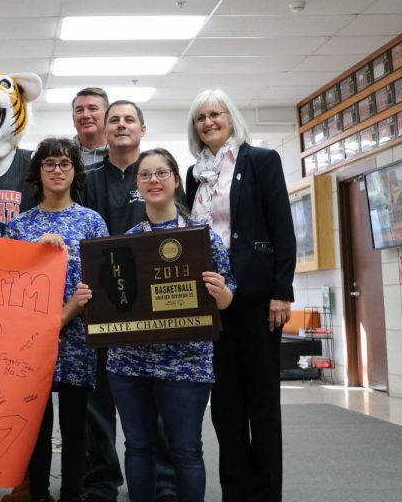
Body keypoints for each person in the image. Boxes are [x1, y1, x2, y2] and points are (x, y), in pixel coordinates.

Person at [184, 89, 295, 502]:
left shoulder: (261, 161)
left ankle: (265, 495)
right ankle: (236, 492)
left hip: (255, 297)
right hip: (211, 301)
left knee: (261, 405)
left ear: (231, 118)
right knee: (225, 405)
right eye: (201, 118)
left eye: (216, 114)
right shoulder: (194, 172)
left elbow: (282, 228)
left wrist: (281, 292)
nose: (209, 122)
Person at [109, 148, 236, 502]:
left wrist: (221, 293)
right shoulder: (125, 240)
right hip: (129, 363)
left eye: (162, 173)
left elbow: (228, 295)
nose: (154, 180)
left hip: (187, 362)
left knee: (186, 451)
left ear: (176, 180)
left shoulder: (202, 236)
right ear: (137, 185)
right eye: (146, 175)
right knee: (137, 448)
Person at [83, 100, 177, 502]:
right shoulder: (87, 179)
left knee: (155, 403)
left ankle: (165, 483)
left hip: (151, 306)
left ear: (143, 128)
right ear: (104, 130)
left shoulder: (155, 173)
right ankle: (102, 483)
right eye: (114, 120)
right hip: (100, 303)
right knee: (97, 403)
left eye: (128, 120)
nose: (121, 126)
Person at [5, 138, 107, 502]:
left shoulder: (92, 221)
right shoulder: (19, 227)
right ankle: (37, 495)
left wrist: (65, 316)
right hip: (33, 345)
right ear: (37, 173)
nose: (57, 170)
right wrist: (36, 256)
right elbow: (10, 289)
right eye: (49, 163)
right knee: (36, 427)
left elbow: (100, 282)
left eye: (65, 163)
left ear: (75, 171)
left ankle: (72, 495)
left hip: (78, 341)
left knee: (77, 428)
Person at [72, 88, 109, 166]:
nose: (85, 115)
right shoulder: (63, 156)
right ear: (73, 119)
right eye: (79, 110)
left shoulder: (124, 153)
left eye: (93, 109)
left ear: (107, 116)